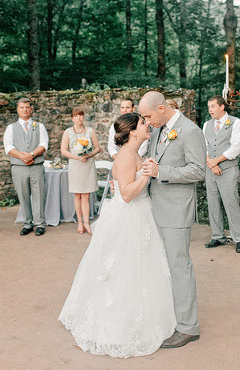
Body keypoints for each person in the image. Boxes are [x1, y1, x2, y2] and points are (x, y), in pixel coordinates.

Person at [59, 113, 176, 358]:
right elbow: (126, 195)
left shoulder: (134, 153)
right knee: (123, 271)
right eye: (143, 123)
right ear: (133, 131)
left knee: (141, 270)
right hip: (129, 217)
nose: (148, 126)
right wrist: (146, 174)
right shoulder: (125, 157)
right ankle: (117, 328)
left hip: (141, 215)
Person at [139, 91, 206, 348]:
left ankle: (189, 327)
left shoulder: (190, 131)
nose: (146, 121)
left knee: (179, 266)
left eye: (148, 115)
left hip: (177, 210)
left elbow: (198, 170)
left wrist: (161, 171)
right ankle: (172, 317)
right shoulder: (159, 128)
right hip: (156, 205)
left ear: (161, 108)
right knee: (163, 265)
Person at [202, 96, 240, 253]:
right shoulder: (207, 124)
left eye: (213, 106)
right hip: (211, 170)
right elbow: (204, 146)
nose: (210, 109)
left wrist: (216, 161)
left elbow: (235, 149)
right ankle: (218, 236)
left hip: (228, 170)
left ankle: (239, 239)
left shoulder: (236, 122)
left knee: (231, 203)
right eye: (209, 106)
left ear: (222, 107)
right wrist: (210, 163)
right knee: (213, 203)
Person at [3, 98, 48, 236]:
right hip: (18, 167)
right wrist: (23, 157)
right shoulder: (11, 128)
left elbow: (44, 144)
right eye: (22, 107)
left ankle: (40, 224)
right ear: (17, 110)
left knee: (39, 194)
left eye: (27, 107)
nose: (25, 110)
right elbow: (8, 147)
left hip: (36, 166)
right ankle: (27, 223)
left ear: (31, 109)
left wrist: (32, 155)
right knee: (23, 195)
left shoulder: (39, 126)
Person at [60, 107, 101, 234]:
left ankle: (87, 223)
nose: (79, 118)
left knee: (86, 195)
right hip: (75, 165)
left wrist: (87, 155)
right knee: (77, 195)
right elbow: (64, 151)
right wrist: (77, 157)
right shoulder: (68, 132)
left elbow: (97, 148)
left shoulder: (90, 131)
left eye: (81, 115)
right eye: (76, 116)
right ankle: (80, 222)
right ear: (72, 118)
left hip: (87, 165)